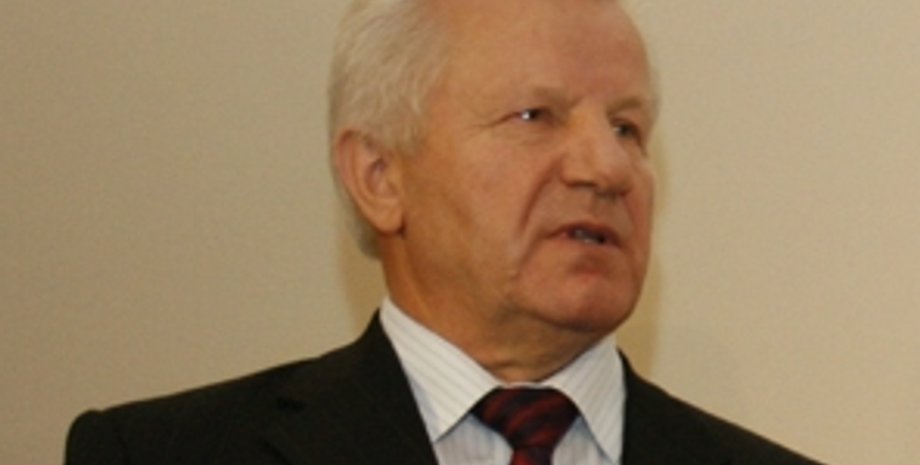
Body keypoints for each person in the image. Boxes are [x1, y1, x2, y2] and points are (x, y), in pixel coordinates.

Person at [65, 0, 827, 464]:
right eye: (535, 116)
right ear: (379, 177)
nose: (606, 166)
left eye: (627, 126)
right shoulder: (161, 453)